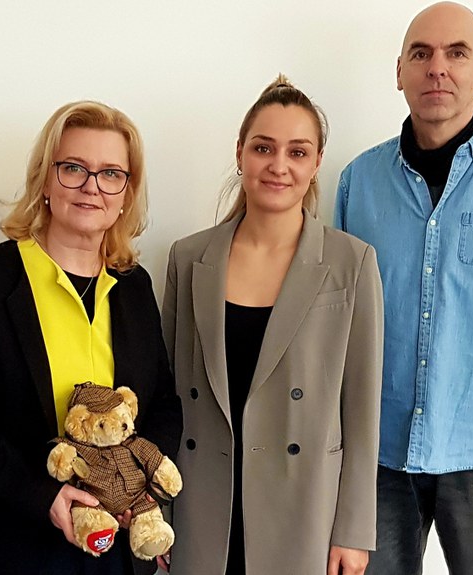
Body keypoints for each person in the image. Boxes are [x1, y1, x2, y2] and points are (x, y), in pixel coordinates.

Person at [0, 100, 182, 575]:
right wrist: (38, 494)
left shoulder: (134, 285)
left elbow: (163, 402)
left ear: (126, 193)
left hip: (118, 544)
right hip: (15, 540)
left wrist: (139, 487)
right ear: (45, 180)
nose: (92, 186)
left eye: (111, 174)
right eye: (73, 168)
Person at [162, 76, 383, 575]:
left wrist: (353, 530)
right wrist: (163, 510)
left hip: (305, 506)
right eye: (263, 148)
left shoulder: (351, 263)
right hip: (204, 502)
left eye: (297, 152)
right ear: (240, 152)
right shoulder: (189, 258)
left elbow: (362, 408)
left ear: (317, 162)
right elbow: (171, 398)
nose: (279, 165)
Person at [335, 3, 473, 574]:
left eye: (456, 53)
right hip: (378, 453)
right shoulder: (358, 182)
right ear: (399, 71)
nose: (437, 68)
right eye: (421, 54)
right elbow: (338, 318)